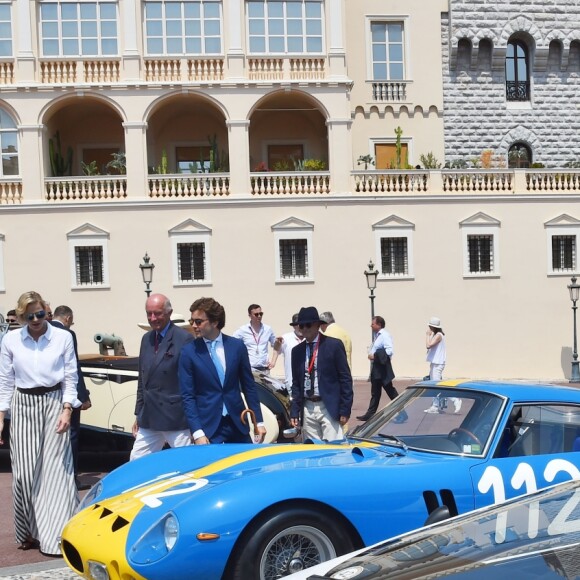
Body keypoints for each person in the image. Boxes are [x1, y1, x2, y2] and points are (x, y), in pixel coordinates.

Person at [0, 291, 78, 555]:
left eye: (40, 314)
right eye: (29, 315)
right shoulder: (11, 339)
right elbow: (5, 380)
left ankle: (57, 536)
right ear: (22, 316)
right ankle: (28, 530)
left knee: (55, 474)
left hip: (55, 401)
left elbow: (70, 375)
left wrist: (67, 409)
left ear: (47, 311)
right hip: (23, 404)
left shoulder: (62, 337)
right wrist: (1, 416)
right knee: (22, 473)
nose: (35, 319)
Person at [179, 297, 266, 444]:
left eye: (199, 321)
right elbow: (187, 396)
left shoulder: (236, 346)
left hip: (238, 422)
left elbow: (249, 386)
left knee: (246, 465)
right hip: (208, 427)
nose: (194, 325)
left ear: (214, 322)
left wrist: (259, 422)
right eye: (191, 321)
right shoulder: (189, 352)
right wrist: (197, 432)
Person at [130, 293, 194, 460]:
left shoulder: (184, 338)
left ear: (169, 312)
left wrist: (194, 420)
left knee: (186, 465)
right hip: (149, 418)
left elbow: (191, 382)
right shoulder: (146, 339)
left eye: (157, 313)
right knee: (136, 462)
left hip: (175, 418)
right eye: (149, 313)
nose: (153, 318)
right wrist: (139, 412)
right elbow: (142, 380)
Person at [290, 306, 353, 441]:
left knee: (334, 448)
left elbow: (345, 378)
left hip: (328, 405)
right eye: (301, 326)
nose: (304, 328)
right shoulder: (297, 351)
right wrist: (294, 411)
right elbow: (296, 383)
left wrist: (345, 409)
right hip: (307, 407)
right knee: (312, 451)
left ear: (318, 325)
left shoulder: (333, 345)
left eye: (308, 325)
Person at [51, 305, 92, 488]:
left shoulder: (44, 329)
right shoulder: (67, 334)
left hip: (49, 394)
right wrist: (83, 395)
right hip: (67, 394)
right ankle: (71, 477)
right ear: (67, 318)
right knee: (72, 435)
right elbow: (73, 367)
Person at [357, 316, 400, 421]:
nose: (371, 325)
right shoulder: (378, 335)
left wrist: (375, 355)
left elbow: (389, 351)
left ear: (379, 324)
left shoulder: (385, 335)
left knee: (390, 391)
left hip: (382, 368)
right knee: (375, 392)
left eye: (373, 323)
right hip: (377, 367)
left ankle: (402, 412)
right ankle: (370, 414)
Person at [424, 317, 461, 414]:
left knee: (438, 386)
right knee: (434, 385)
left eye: (430, 326)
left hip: (438, 364)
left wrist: (428, 335)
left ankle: (455, 400)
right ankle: (435, 406)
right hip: (434, 363)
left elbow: (428, 345)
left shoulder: (439, 335)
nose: (429, 328)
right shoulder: (436, 334)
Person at [234, 304, 281, 374]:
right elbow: (232, 345)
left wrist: (273, 361)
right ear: (250, 316)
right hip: (249, 369)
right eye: (256, 314)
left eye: (261, 314)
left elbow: (276, 346)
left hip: (264, 369)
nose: (259, 316)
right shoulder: (243, 330)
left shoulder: (268, 329)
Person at [280, 313, 304, 394]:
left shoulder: (309, 338)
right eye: (298, 325)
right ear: (294, 326)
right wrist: (272, 362)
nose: (300, 327)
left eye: (302, 324)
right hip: (292, 382)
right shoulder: (286, 338)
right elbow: (277, 350)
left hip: (308, 383)